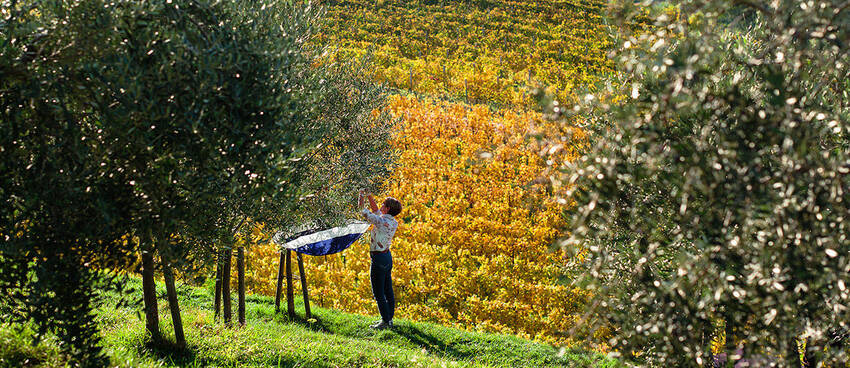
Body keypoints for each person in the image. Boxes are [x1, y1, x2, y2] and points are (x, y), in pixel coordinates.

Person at [359, 189, 401, 330]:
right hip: (387, 257)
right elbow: (376, 210)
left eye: (383, 204)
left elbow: (363, 210)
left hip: (378, 259)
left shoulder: (381, 221)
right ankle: (389, 320)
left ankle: (384, 321)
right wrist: (369, 195)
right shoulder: (392, 221)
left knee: (378, 292)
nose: (381, 205)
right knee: (388, 290)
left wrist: (361, 195)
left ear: (388, 208)